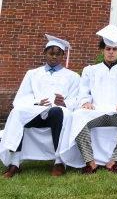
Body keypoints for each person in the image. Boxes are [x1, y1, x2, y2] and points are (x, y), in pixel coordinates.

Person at [60, 25, 117, 173]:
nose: (111, 52)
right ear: (102, 50)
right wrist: (85, 102)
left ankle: (114, 161)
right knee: (77, 116)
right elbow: (83, 91)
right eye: (108, 49)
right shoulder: (90, 70)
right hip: (96, 114)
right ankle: (90, 162)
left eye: (114, 49)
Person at [1, 35, 80, 178]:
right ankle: (14, 163)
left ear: (63, 55)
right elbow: (22, 97)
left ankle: (59, 162)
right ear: (44, 53)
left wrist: (65, 103)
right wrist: (37, 102)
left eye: (58, 54)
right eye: (51, 53)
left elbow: (77, 99)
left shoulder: (73, 76)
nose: (54, 57)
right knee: (17, 112)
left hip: (57, 114)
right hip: (35, 111)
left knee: (57, 112)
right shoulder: (32, 74)